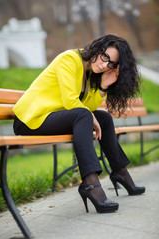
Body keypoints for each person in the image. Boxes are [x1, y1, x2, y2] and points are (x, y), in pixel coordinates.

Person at [13, 34, 145, 214]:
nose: (105, 65)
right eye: (105, 57)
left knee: (104, 118)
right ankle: (90, 184)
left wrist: (103, 87)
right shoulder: (69, 59)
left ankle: (119, 172)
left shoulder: (90, 74)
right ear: (98, 48)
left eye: (111, 64)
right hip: (30, 119)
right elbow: (71, 102)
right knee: (85, 115)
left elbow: (86, 108)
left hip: (52, 117)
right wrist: (89, 117)